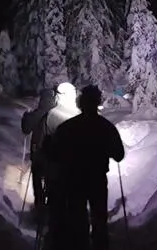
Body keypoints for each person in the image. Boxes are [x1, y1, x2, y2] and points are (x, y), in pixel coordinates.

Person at [49, 85, 126, 250]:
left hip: (73, 179)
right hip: (97, 179)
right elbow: (119, 154)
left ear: (81, 103)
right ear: (97, 102)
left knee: (78, 218)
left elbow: (54, 153)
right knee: (99, 218)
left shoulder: (67, 127)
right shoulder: (106, 127)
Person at [20, 88, 57, 222]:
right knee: (51, 182)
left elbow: (25, 129)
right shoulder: (57, 114)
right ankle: (51, 209)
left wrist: (26, 117)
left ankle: (40, 208)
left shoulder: (37, 114)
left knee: (37, 182)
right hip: (53, 157)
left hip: (38, 154)